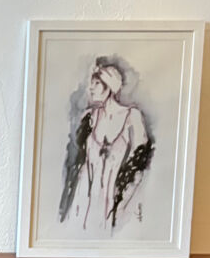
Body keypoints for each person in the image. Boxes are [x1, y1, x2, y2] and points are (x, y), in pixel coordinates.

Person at [58, 55, 154, 233]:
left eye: (96, 83)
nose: (90, 88)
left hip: (116, 200)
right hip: (84, 200)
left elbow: (139, 165)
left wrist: (123, 202)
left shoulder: (132, 117)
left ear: (109, 86)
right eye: (90, 83)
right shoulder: (89, 117)